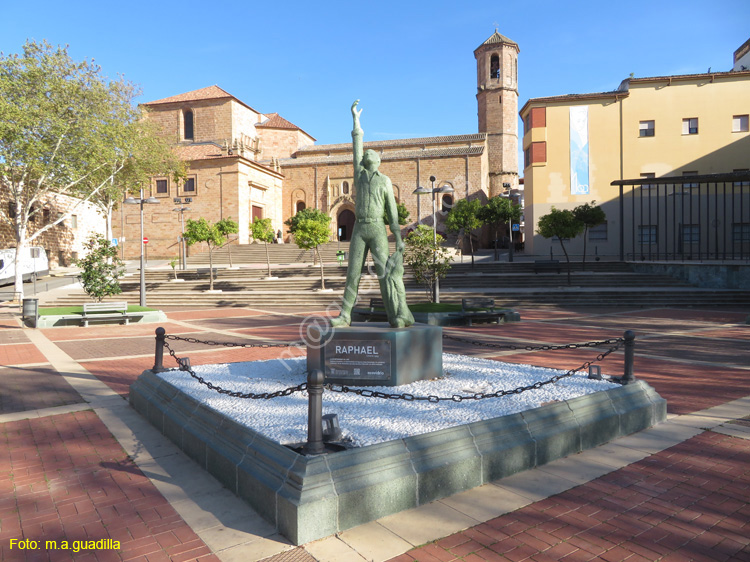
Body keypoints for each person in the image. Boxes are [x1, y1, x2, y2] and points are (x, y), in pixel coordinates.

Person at [331, 101, 414, 328]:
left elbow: (392, 211)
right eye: (365, 154)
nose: (366, 154)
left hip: (378, 228)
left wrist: (398, 238)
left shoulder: (385, 181)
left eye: (371, 154)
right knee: (353, 272)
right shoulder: (359, 175)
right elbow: (357, 147)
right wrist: (356, 122)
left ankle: (396, 315)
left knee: (385, 273)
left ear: (377, 161)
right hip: (359, 228)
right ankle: (345, 315)